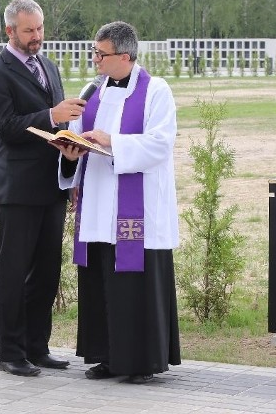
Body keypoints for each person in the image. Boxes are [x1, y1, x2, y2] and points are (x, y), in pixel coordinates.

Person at [55, 21, 181, 384]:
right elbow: (76, 135)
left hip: (136, 206)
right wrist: (68, 151)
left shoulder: (156, 91)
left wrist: (112, 142)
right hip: (96, 202)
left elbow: (160, 143)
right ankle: (106, 355)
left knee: (133, 283)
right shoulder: (92, 90)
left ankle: (140, 362)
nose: (94, 59)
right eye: (94, 52)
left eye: (101, 54)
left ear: (124, 56)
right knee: (101, 280)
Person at [0, 0, 83, 377]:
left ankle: (38, 347)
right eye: (29, 31)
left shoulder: (49, 66)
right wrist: (52, 115)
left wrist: (72, 152)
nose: (37, 36)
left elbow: (56, 126)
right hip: (16, 189)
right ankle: (10, 352)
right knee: (13, 272)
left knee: (46, 273)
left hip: (52, 185)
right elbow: (5, 127)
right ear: (10, 31)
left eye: (39, 28)